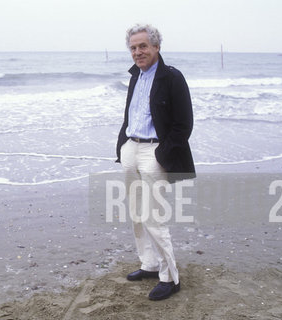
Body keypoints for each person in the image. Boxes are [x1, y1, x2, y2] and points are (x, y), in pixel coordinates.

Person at [115, 23, 195, 301]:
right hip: (131, 148)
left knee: (154, 216)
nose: (138, 52)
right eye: (133, 48)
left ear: (156, 47)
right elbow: (131, 115)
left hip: (154, 153)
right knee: (137, 213)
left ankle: (170, 277)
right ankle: (148, 264)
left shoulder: (172, 78)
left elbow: (183, 125)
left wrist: (162, 153)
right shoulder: (135, 76)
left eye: (143, 46)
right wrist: (124, 145)